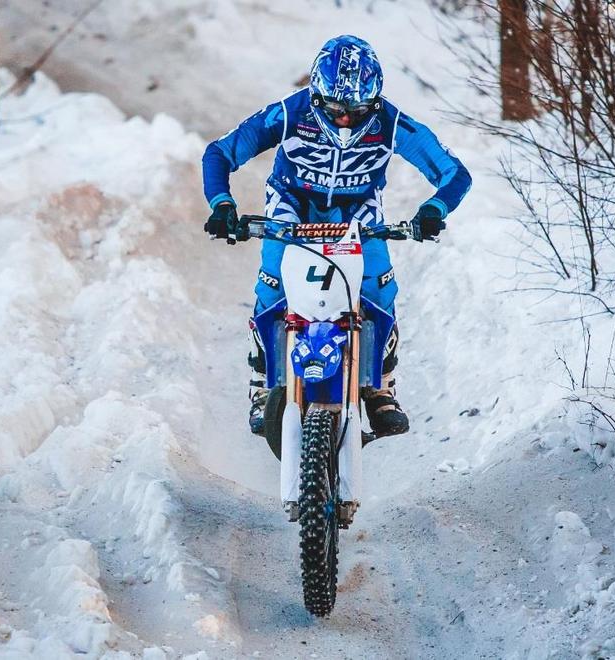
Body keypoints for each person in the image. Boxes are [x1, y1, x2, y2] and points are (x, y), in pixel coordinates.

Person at [201, 34, 471, 438]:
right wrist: (222, 204)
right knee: (273, 284)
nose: (345, 118)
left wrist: (434, 210)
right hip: (292, 206)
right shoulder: (289, 113)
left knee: (379, 289)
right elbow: (220, 152)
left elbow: (455, 174)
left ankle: (381, 387)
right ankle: (262, 385)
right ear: (315, 95)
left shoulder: (393, 123)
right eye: (335, 108)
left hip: (358, 213)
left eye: (358, 110)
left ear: (375, 102)